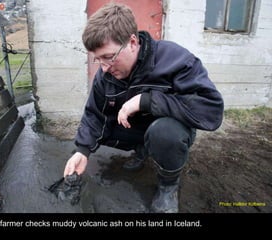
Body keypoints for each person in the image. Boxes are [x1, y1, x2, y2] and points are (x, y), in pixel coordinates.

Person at [63, 3, 224, 213]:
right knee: (101, 129)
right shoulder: (106, 76)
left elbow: (210, 111)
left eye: (109, 57)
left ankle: (168, 186)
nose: (103, 68)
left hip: (168, 130)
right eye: (98, 59)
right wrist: (82, 151)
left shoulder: (176, 60)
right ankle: (142, 150)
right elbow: (95, 115)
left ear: (132, 42)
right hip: (135, 129)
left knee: (165, 133)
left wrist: (145, 101)